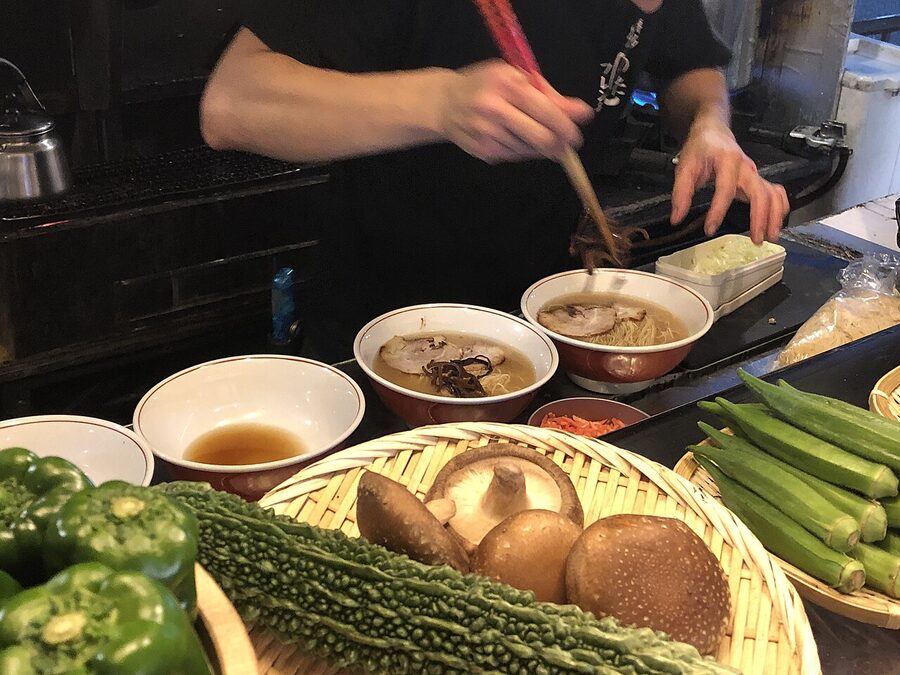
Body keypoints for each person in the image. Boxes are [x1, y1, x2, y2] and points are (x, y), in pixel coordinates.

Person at [200, 0, 789, 351]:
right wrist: (441, 102)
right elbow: (232, 104)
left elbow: (688, 58)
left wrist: (710, 124)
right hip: (386, 327)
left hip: (548, 317)